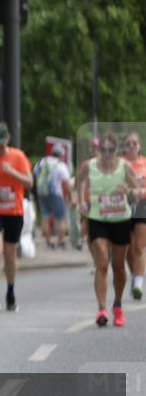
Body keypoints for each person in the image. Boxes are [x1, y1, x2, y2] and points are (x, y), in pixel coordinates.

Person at [75, 132, 140, 326]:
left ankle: (117, 305)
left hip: (120, 219)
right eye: (103, 150)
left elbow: (137, 191)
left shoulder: (124, 166)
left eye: (111, 150)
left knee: (118, 266)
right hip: (98, 218)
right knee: (102, 263)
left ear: (116, 150)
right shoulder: (89, 166)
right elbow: (78, 181)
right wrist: (81, 201)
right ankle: (101, 309)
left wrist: (129, 191)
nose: (107, 153)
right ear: (99, 150)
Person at [0, 122, 33, 313]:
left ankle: (10, 292)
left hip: (13, 211)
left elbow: (29, 182)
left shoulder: (18, 157)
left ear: (8, 139)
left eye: (1, 143)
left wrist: (12, 172)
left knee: (10, 253)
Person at [122, 132, 146, 300]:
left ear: (139, 146)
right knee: (126, 249)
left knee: (138, 246)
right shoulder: (119, 164)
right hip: (122, 207)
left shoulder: (144, 164)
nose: (131, 146)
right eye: (128, 144)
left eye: (134, 143)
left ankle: (138, 283)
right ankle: (134, 275)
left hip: (142, 206)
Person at [34, 145, 72, 249]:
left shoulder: (42, 162)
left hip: (42, 193)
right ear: (61, 155)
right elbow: (66, 183)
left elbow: (35, 175)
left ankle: (48, 241)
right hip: (56, 193)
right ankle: (60, 241)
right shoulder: (60, 165)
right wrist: (70, 196)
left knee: (45, 217)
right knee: (61, 218)